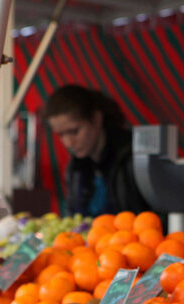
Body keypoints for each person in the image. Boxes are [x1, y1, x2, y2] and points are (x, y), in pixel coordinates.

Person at [43, 85, 148, 216]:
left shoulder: (134, 159)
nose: (68, 143)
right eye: (61, 135)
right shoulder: (75, 169)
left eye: (74, 131)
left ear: (97, 119)